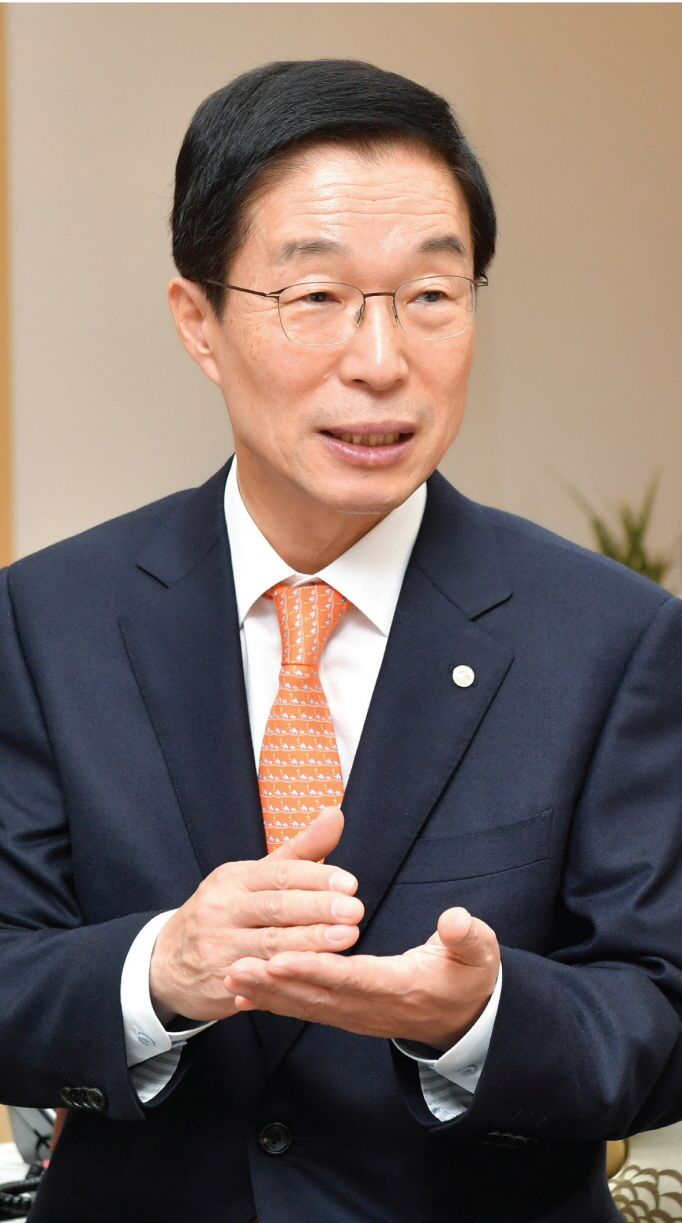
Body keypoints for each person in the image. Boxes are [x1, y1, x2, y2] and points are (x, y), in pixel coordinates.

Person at [1, 58, 681, 1223]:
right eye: (314, 295)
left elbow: (661, 1012)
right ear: (199, 322)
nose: (380, 359)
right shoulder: (44, 620)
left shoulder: (611, 637)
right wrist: (158, 970)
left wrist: (476, 1017)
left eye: (431, 294)